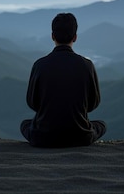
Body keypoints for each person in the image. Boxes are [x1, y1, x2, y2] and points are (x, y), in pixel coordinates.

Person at [20, 12, 106, 148]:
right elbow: (92, 104)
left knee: (25, 124)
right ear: (75, 37)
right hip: (80, 137)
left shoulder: (40, 65)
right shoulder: (87, 65)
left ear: (52, 36)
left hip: (43, 138)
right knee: (101, 125)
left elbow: (33, 103)